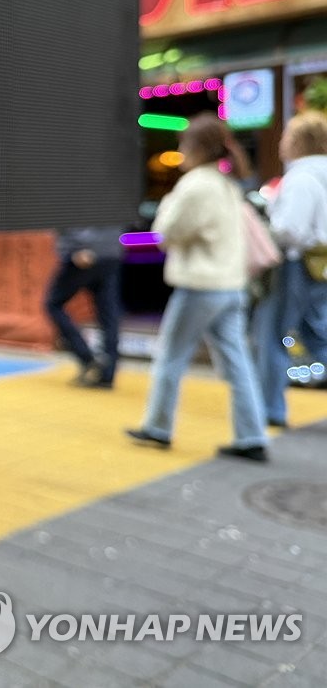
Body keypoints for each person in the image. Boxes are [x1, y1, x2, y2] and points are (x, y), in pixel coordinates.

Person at [127, 112, 269, 461]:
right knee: (237, 362)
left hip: (200, 286)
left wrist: (167, 205)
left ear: (195, 146)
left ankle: (158, 426)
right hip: (231, 285)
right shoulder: (227, 184)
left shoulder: (195, 185)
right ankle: (252, 435)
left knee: (171, 356)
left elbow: (166, 233)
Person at [251, 110, 327, 429]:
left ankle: (270, 408)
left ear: (298, 141)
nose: (281, 142)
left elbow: (290, 230)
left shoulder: (300, 178)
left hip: (295, 263)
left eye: (286, 136)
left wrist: (265, 227)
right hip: (319, 264)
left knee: (271, 335)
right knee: (318, 333)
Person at [44, 226, 123, 387]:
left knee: (53, 304)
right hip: (111, 252)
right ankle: (107, 373)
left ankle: (87, 357)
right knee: (108, 315)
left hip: (85, 252)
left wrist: (76, 248)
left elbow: (67, 215)